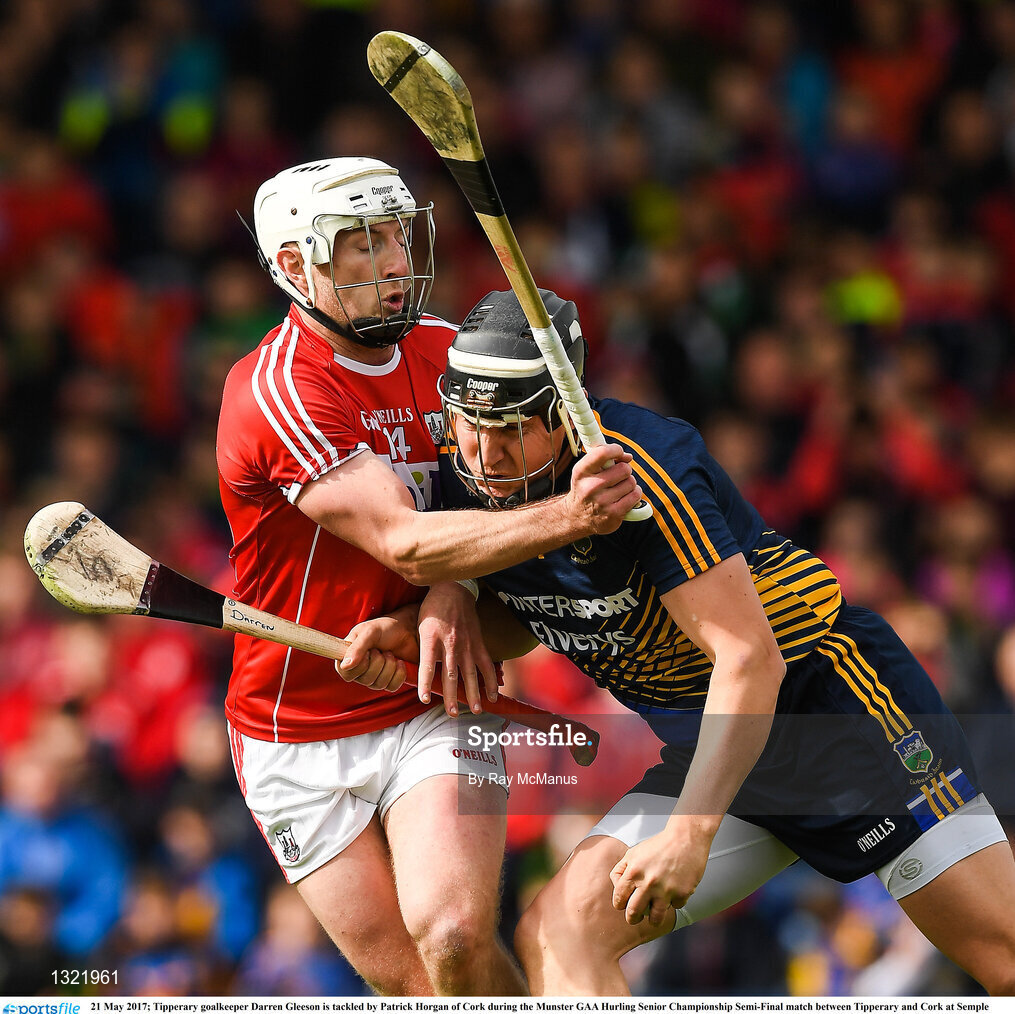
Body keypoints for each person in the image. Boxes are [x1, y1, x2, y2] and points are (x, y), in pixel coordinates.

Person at [345, 286, 1015, 996]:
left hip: (830, 716)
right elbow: (534, 612)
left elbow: (749, 658)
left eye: (507, 428)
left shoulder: (640, 472)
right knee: (558, 933)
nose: (482, 452)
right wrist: (427, 629)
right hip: (714, 755)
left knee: (1002, 960)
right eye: (467, 422)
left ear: (562, 412)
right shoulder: (466, 482)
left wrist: (691, 833)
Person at [215, 159, 641, 997]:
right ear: (295, 266)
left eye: (394, 235)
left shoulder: (454, 352)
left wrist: (460, 591)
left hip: (436, 693)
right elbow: (407, 543)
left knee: (451, 935)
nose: (387, 263)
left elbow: (489, 499)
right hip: (290, 729)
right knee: (420, 986)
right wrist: (572, 517)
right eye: (357, 245)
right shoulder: (277, 390)